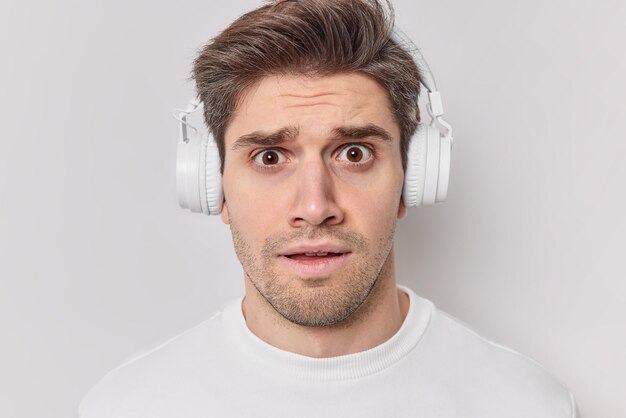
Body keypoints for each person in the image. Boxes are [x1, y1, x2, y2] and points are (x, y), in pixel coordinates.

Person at [79, 1, 579, 417]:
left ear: (415, 179)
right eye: (270, 157)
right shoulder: (126, 408)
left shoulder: (527, 405)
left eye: (354, 153)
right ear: (214, 186)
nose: (315, 207)